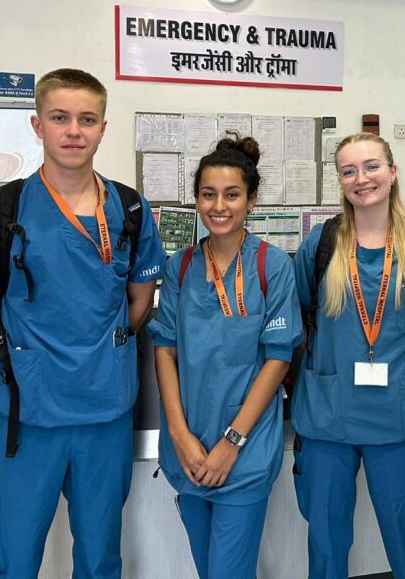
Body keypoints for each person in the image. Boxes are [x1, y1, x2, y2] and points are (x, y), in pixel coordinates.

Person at [0, 69, 163, 578]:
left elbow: (139, 303)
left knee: (99, 555)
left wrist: (102, 357)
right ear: (37, 124)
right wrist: (21, 374)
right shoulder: (1, 210)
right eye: (60, 118)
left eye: (87, 119)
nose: (74, 131)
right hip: (27, 419)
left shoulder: (130, 209)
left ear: (103, 128)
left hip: (103, 416)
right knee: (13, 557)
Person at [291, 132, 405, 579]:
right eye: (349, 170)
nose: (361, 178)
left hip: (397, 419)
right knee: (326, 543)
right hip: (328, 419)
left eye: (371, 167)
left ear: (392, 171)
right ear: (340, 180)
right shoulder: (321, 244)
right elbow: (303, 320)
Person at [149, 136, 302, 579]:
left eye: (232, 194)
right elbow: (166, 350)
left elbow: (277, 360)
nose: (219, 205)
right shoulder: (179, 267)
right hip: (189, 450)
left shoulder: (272, 267)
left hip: (243, 453)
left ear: (251, 200)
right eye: (208, 194)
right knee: (207, 568)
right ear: (196, 199)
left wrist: (230, 445)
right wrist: (180, 436)